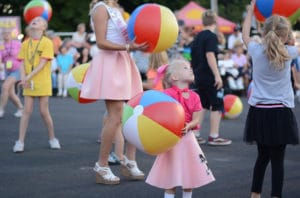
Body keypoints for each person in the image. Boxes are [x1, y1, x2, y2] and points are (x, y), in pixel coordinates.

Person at [80, 0, 148, 185]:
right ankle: (102, 166)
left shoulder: (116, 10)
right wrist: (128, 47)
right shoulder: (100, 9)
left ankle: (129, 161)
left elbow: (126, 38)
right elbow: (101, 42)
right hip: (111, 63)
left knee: (134, 111)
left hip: (124, 61)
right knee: (115, 116)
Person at [242, 1, 299, 198]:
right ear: (285, 35)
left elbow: (245, 36)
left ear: (265, 32)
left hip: (260, 112)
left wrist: (250, 11)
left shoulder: (256, 50)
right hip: (280, 112)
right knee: (278, 161)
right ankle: (276, 195)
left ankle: (255, 194)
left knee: (262, 157)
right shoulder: (290, 53)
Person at [146, 59, 215, 198]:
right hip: (170, 141)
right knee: (170, 176)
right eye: (185, 68)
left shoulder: (195, 96)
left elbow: (196, 118)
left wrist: (188, 125)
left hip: (188, 140)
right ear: (175, 77)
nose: (190, 69)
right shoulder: (166, 95)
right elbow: (159, 114)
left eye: (189, 67)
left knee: (188, 175)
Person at [13, 16, 61, 153]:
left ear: (44, 27)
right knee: (26, 111)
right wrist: (23, 77)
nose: (35, 20)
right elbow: (22, 62)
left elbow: (42, 63)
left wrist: (28, 76)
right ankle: (20, 141)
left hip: (42, 81)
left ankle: (52, 138)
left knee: (43, 111)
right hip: (28, 81)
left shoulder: (47, 42)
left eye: (39, 20)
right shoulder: (25, 43)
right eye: (34, 19)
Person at [191, 10, 232, 146]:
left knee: (202, 104)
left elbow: (196, 58)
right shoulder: (211, 36)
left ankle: (196, 134)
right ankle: (214, 136)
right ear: (215, 22)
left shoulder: (197, 37)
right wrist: (217, 75)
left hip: (198, 75)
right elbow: (210, 55)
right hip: (208, 76)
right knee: (217, 104)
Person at [0, 28, 23, 118]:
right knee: (10, 93)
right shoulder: (1, 46)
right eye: (4, 33)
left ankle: (1, 109)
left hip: (17, 69)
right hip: (7, 70)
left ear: (11, 34)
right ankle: (21, 108)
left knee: (5, 87)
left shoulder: (17, 44)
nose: (6, 34)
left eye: (8, 33)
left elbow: (23, 56)